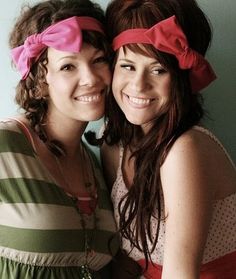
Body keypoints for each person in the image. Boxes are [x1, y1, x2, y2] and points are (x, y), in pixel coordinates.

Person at [101, 0, 236, 278]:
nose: (138, 85)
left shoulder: (185, 149)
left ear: (181, 77)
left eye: (158, 69)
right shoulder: (115, 147)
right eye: (127, 66)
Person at [0, 0, 119, 278]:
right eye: (68, 66)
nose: (90, 78)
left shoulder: (97, 164)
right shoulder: (5, 145)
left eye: (99, 60)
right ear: (41, 79)